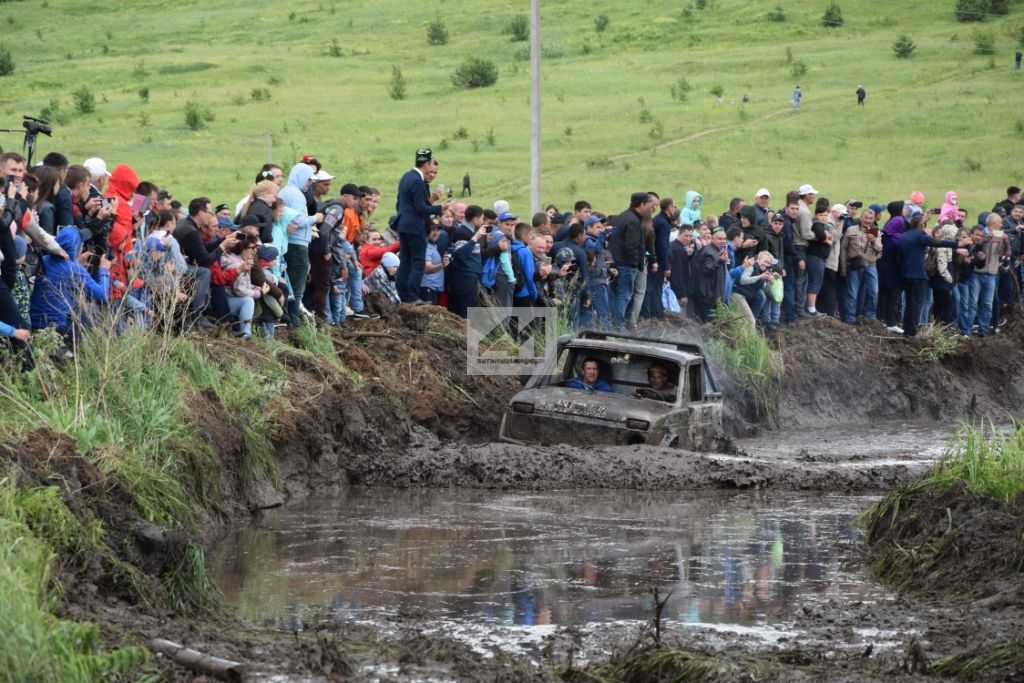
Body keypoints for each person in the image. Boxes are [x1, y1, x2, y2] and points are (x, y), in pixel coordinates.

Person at [29, 226, 112, 343]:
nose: (82, 248)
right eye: (81, 245)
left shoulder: (44, 259)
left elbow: (59, 270)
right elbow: (103, 295)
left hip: (34, 323)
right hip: (56, 328)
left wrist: (75, 263)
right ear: (75, 246)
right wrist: (104, 271)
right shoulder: (75, 270)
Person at [395, 148, 450, 304]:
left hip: (403, 224)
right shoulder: (418, 181)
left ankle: (403, 294)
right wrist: (440, 208)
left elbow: (400, 203)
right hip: (415, 226)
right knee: (418, 261)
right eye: (431, 163)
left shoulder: (406, 177)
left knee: (405, 260)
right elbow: (420, 208)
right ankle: (412, 296)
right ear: (426, 164)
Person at [608, 192, 648, 329]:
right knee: (624, 295)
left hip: (618, 262)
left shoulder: (623, 216)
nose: (649, 207)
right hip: (626, 264)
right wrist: (635, 264)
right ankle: (618, 327)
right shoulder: (632, 220)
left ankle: (616, 325)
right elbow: (632, 245)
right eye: (647, 204)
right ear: (642, 204)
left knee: (620, 295)